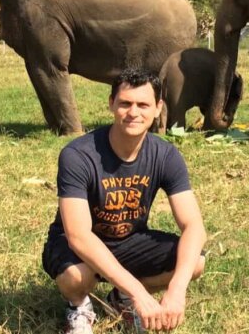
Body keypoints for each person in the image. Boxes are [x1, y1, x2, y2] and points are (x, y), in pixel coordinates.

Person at [42, 68, 207, 333]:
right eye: (125, 103)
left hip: (128, 239)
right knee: (76, 277)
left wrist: (177, 290)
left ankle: (119, 299)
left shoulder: (165, 155)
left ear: (157, 108)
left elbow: (194, 227)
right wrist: (140, 293)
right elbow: (78, 236)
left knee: (194, 262)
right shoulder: (78, 155)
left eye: (143, 105)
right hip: (76, 247)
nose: (134, 112)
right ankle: (80, 305)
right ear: (111, 104)